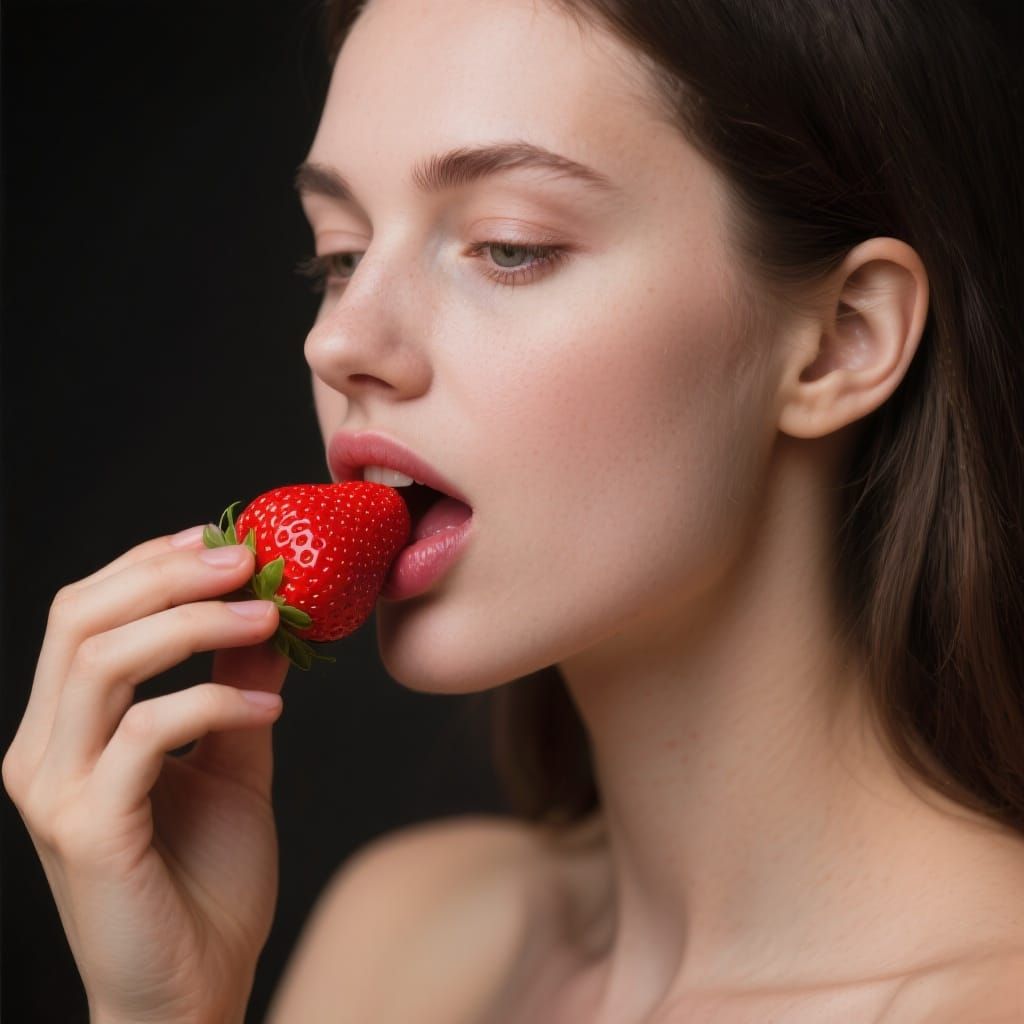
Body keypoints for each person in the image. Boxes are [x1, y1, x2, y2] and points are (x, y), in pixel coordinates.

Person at [5, 0, 1024, 1020]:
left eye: (508, 245)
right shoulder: (401, 938)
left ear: (842, 336)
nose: (339, 340)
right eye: (341, 254)